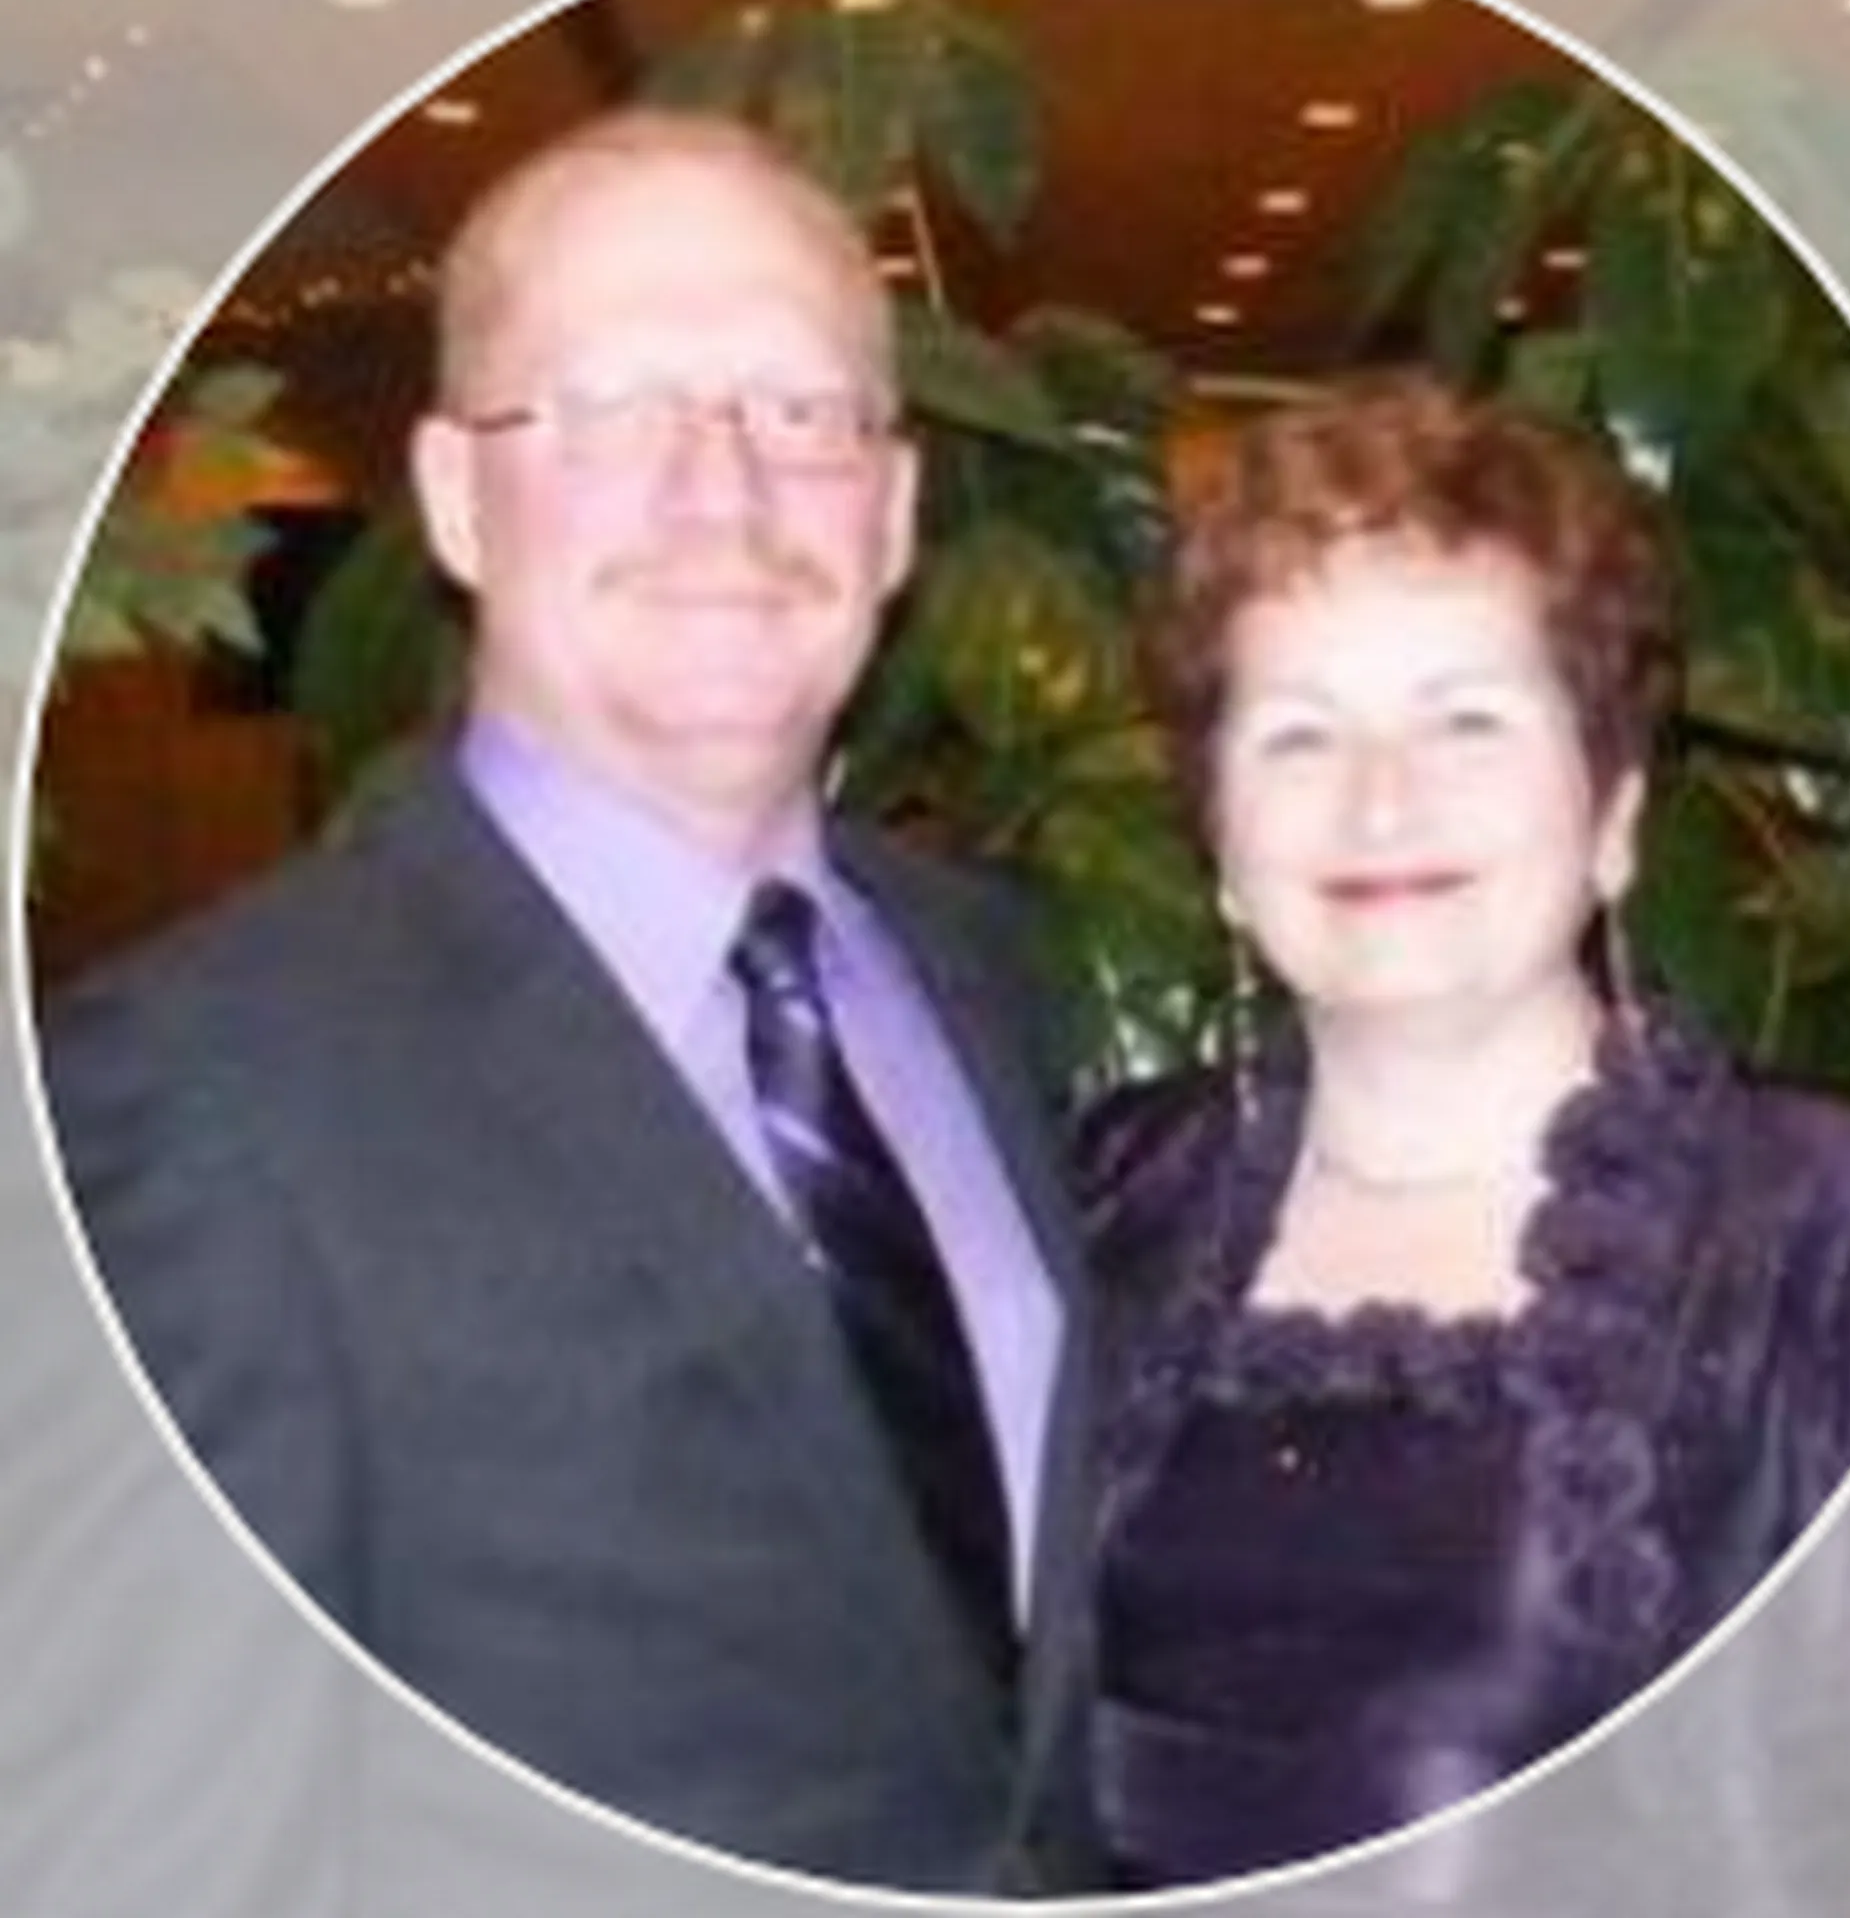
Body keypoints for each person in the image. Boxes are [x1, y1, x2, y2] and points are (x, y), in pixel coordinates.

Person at [37, 109, 1099, 1896]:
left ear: (897, 508)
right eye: (610, 408)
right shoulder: (197, 1098)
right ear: (458, 498)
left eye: (799, 409)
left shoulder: (985, 967)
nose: (723, 492)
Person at [1078, 370, 1850, 1890]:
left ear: (1614, 809)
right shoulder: (1109, 1193)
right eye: (1299, 736)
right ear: (1220, 843)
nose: (1383, 802)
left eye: (1467, 720)